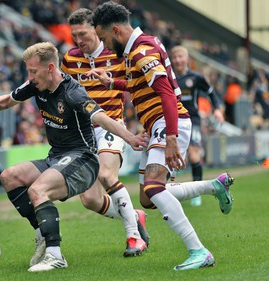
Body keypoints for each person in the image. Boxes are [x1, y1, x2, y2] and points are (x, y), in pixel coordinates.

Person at [0, 42, 149, 272]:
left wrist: (130, 138)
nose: (29, 76)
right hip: (56, 157)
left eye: (33, 71)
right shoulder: (35, 85)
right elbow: (6, 100)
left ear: (50, 68)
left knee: (38, 191)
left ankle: (56, 256)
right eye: (29, 71)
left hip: (83, 159)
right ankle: (43, 236)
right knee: (9, 176)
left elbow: (101, 117)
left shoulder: (72, 92)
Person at [88, 1, 234, 271]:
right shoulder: (142, 44)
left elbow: (166, 92)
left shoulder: (141, 52)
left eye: (105, 38)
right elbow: (138, 82)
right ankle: (215, 186)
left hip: (168, 122)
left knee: (154, 187)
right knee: (148, 197)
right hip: (158, 124)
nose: (105, 46)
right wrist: (112, 82)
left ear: (116, 30)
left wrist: (170, 138)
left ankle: (199, 250)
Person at [61, 8, 148, 257]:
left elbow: (135, 84)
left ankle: (134, 238)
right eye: (74, 35)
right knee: (89, 200)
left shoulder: (118, 54)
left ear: (96, 30)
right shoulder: (70, 59)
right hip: (83, 133)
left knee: (106, 174)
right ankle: (133, 216)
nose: (79, 41)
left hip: (110, 125)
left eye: (83, 34)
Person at [170, 45, 225, 207]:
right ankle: (165, 193)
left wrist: (217, 110)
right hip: (171, 120)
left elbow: (211, 92)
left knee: (194, 155)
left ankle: (197, 194)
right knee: (171, 158)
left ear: (187, 59)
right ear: (171, 60)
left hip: (191, 119)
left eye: (181, 56)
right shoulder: (168, 77)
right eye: (175, 57)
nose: (178, 60)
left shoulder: (195, 77)